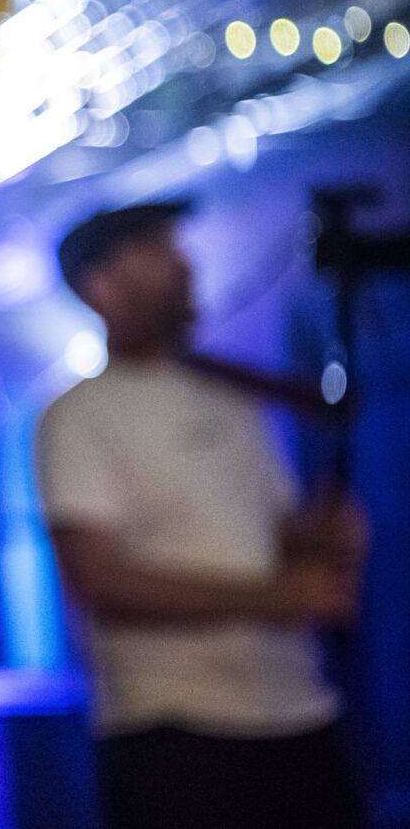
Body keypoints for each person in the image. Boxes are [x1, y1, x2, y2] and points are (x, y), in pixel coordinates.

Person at [37, 201, 368, 829]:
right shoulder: (79, 415)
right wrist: (280, 597)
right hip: (174, 734)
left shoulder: (233, 398)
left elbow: (273, 539)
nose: (183, 266)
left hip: (298, 713)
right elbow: (100, 582)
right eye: (156, 252)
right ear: (100, 286)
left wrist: (322, 541)